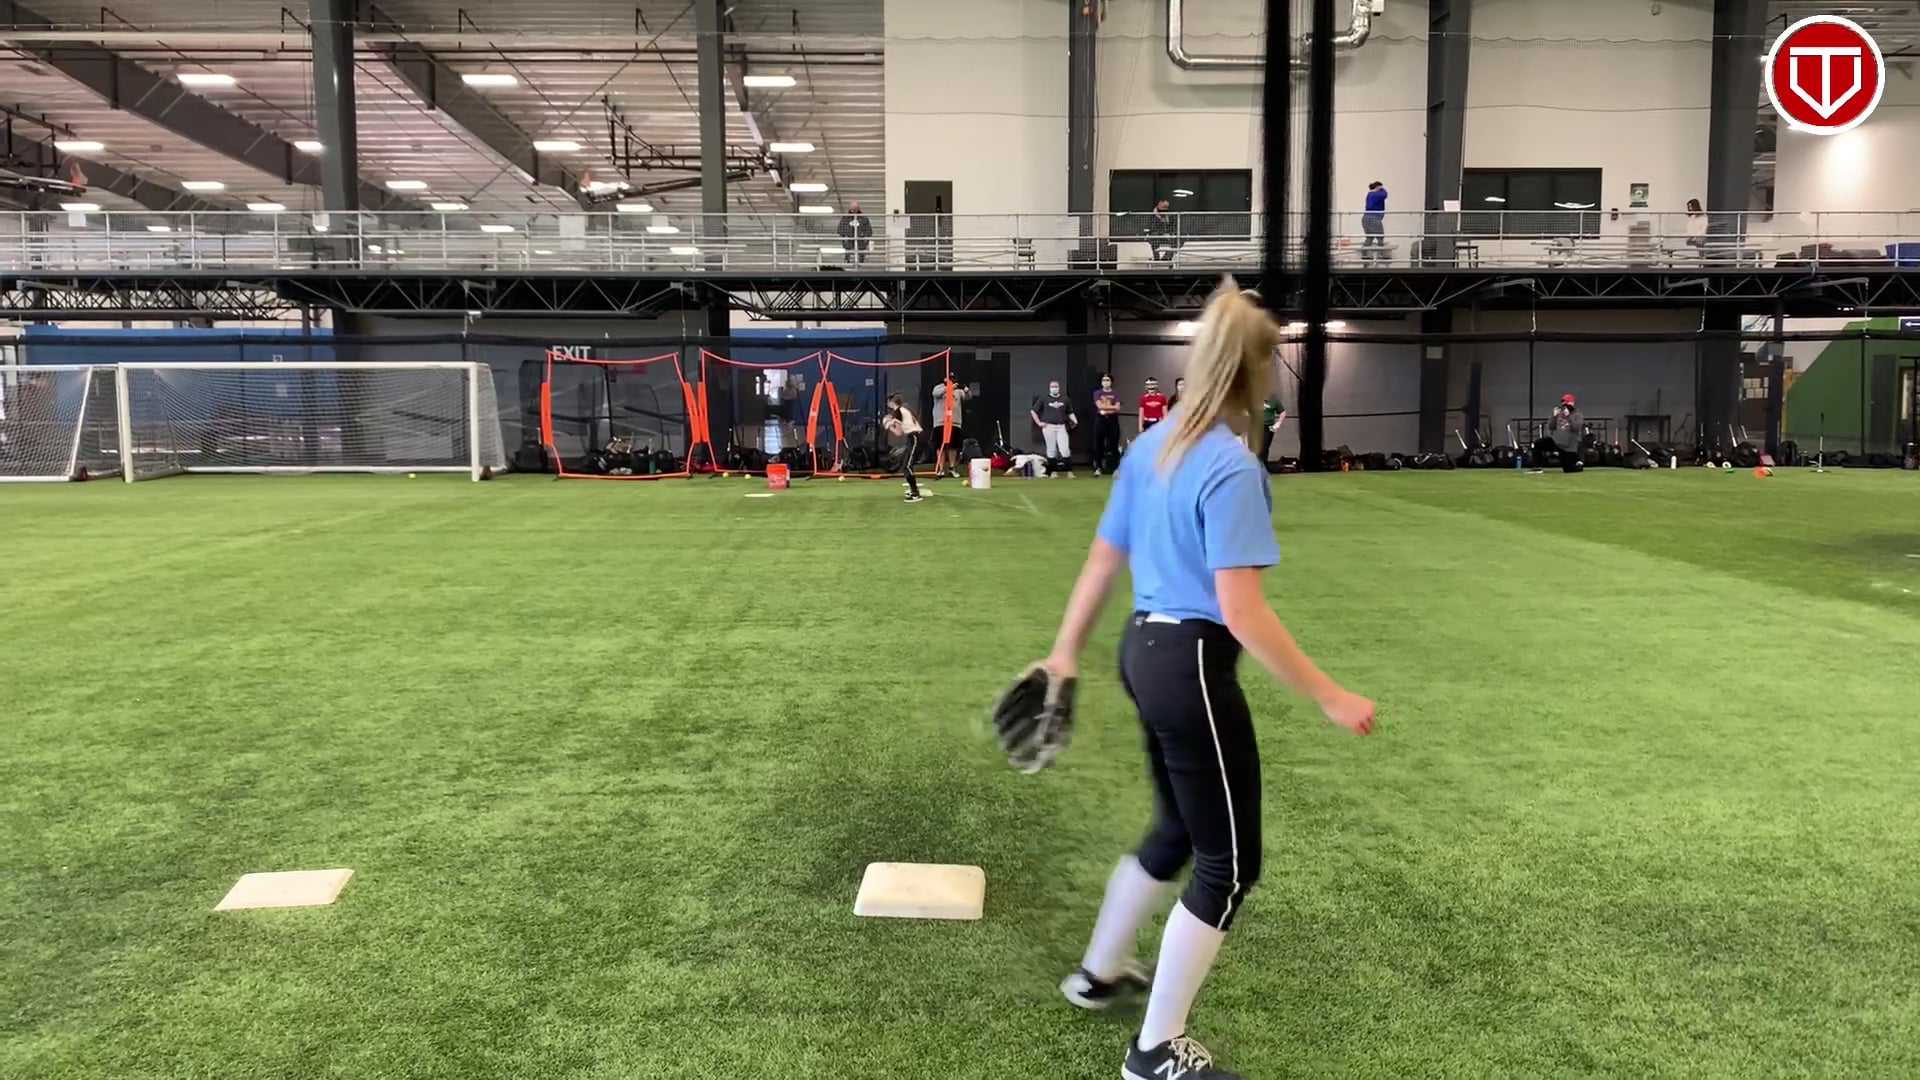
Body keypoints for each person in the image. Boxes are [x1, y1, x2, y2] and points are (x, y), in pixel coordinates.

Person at [1038, 282, 1376, 1080]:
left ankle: (1099, 973)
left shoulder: (1150, 446)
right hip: (1190, 664)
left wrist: (1063, 653)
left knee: (1177, 830)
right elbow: (1242, 611)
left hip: (1141, 652)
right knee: (1229, 867)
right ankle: (1155, 1050)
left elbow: (1101, 562)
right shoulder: (1231, 465)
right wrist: (1331, 695)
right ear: (1257, 373)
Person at [1030, 380, 1077, 476]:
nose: (1054, 388)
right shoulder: (1044, 398)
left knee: (1065, 449)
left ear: (1059, 387)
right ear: (1049, 388)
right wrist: (1039, 423)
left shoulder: (1065, 399)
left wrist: (1075, 420)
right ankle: (1053, 472)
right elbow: (1033, 411)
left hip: (1061, 426)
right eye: (1052, 386)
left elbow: (1070, 412)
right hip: (1048, 426)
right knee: (1051, 450)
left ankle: (1069, 471)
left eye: (1056, 386)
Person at [883, 392, 924, 502]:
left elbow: (898, 432)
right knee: (906, 465)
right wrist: (891, 423)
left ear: (892, 402)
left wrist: (888, 425)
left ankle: (915, 494)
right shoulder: (904, 408)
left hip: (915, 437)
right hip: (913, 437)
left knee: (907, 466)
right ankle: (913, 490)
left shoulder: (899, 411)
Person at [929, 379, 971, 478]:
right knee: (940, 446)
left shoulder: (958, 391)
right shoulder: (939, 388)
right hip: (941, 422)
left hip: (954, 422)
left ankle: (952, 467)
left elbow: (968, 397)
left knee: (953, 446)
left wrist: (967, 390)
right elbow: (936, 394)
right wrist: (949, 388)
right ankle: (941, 468)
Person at [1092, 373, 1123, 477]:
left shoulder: (1116, 393)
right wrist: (1112, 408)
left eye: (1107, 380)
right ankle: (1098, 468)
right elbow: (1099, 406)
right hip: (1100, 420)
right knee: (1098, 444)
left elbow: (1118, 408)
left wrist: (1107, 409)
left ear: (1111, 382)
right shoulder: (1097, 393)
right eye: (1104, 380)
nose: (1106, 382)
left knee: (1113, 445)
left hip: (1113, 420)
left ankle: (1116, 468)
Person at [1547, 393, 1585, 471]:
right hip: (1557, 441)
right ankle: (1537, 466)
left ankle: (1577, 464)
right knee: (1539, 444)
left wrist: (1568, 416)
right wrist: (1554, 416)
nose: (1565, 406)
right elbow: (1551, 427)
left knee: (1568, 468)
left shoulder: (1577, 415)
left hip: (1569, 445)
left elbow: (1575, 427)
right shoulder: (1559, 414)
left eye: (1567, 403)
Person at [1255, 395, 1286, 472]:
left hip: (1269, 427)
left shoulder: (1274, 402)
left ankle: (1262, 465)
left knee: (1265, 446)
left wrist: (1279, 422)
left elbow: (1283, 412)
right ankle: (1259, 465)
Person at [1361, 181, 1388, 264]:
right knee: (1380, 237)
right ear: (1377, 187)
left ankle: (1365, 255)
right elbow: (1384, 194)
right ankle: (1380, 255)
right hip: (1373, 218)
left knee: (1370, 237)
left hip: (1367, 218)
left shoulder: (1370, 194)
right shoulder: (1374, 194)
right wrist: (1382, 189)